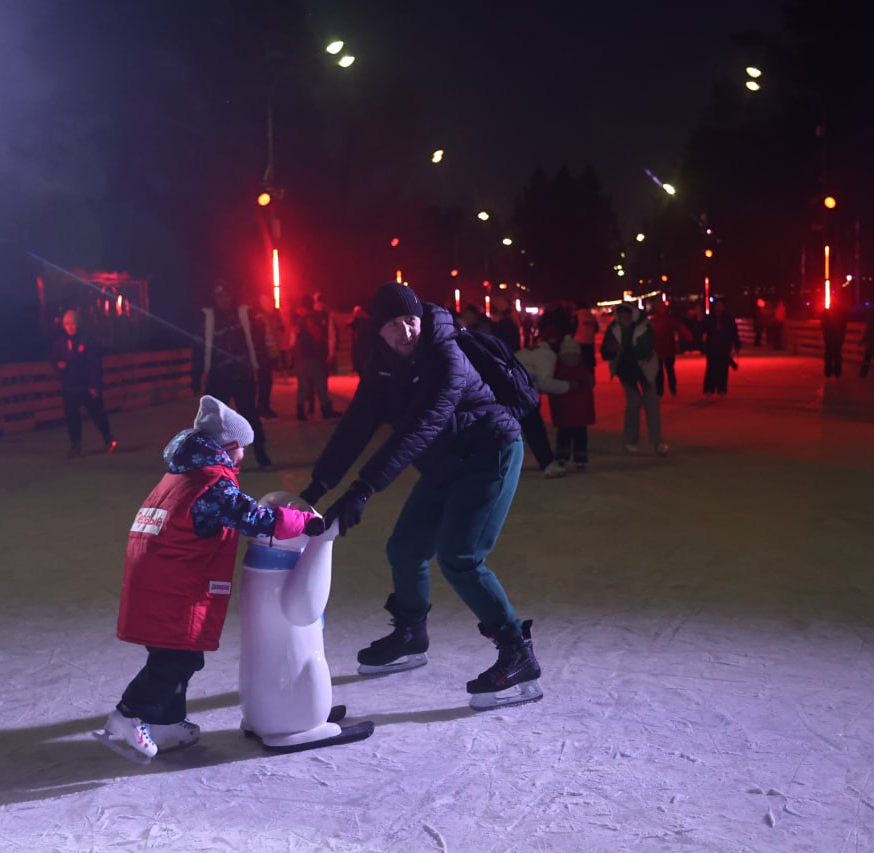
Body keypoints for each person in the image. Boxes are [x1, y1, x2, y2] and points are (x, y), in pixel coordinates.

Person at [298, 282, 542, 709]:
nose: (405, 331)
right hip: (446, 464)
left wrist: (363, 489)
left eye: (409, 320)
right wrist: (319, 486)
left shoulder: (446, 354)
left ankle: (516, 652)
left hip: (490, 454)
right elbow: (357, 424)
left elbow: (418, 429)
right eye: (393, 325)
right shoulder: (382, 365)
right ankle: (411, 632)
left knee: (460, 558)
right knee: (406, 548)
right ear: (378, 332)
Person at [98, 396, 324, 762]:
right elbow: (252, 518)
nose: (243, 458)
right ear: (231, 447)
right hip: (175, 585)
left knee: (180, 655)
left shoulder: (180, 474)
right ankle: (129, 714)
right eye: (243, 450)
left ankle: (168, 720)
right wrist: (304, 522)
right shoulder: (211, 482)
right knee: (173, 661)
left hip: (161, 580)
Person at [199, 280, 272, 471]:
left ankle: (261, 455)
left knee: (250, 416)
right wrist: (196, 375)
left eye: (227, 295)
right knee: (214, 421)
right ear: (215, 299)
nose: (224, 299)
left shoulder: (244, 315)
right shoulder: (208, 319)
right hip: (218, 376)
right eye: (220, 296)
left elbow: (257, 341)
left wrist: (259, 367)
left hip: (242, 374)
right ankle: (212, 460)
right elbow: (199, 347)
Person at [601, 304, 666, 455]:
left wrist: (626, 349)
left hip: (646, 370)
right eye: (622, 316)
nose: (625, 319)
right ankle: (630, 440)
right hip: (626, 371)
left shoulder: (644, 327)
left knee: (651, 403)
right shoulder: (614, 329)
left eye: (627, 315)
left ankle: (657, 441)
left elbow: (646, 349)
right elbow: (605, 351)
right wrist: (611, 350)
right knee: (634, 403)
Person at [51, 309, 116, 459]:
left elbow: (94, 364)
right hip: (69, 387)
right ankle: (75, 445)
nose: (70, 327)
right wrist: (58, 365)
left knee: (97, 413)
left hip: (86, 386)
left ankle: (108, 438)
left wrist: (94, 385)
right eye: (67, 324)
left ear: (78, 323)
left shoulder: (87, 340)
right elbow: (55, 360)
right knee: (72, 417)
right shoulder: (60, 343)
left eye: (73, 323)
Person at [514, 319, 574, 479]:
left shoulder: (534, 350)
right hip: (517, 389)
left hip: (508, 385)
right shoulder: (547, 355)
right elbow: (545, 382)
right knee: (534, 426)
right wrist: (567, 385)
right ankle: (548, 463)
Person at [547, 335, 596, 471]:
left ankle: (566, 456)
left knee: (567, 434)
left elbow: (553, 386)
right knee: (575, 434)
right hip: (576, 411)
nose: (571, 359)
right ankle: (577, 457)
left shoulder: (559, 368)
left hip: (568, 411)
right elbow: (591, 382)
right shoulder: (580, 368)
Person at [292, 294, 340, 421]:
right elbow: (317, 335)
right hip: (312, 356)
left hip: (301, 356)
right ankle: (326, 409)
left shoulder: (299, 319)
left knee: (303, 385)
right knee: (320, 383)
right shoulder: (309, 318)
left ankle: (300, 411)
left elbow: (294, 338)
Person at [649, 301, 692, 396]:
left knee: (670, 370)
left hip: (668, 348)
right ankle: (659, 390)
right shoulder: (653, 321)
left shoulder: (670, 319)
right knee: (659, 372)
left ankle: (672, 388)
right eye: (659, 307)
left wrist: (688, 335)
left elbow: (680, 328)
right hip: (657, 350)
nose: (661, 309)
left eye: (662, 307)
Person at [255, 295, 284, 418]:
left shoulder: (267, 318)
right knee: (264, 382)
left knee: (267, 382)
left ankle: (265, 406)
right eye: (269, 303)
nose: (272, 305)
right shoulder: (261, 318)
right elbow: (261, 339)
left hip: (267, 354)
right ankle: (262, 407)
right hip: (263, 355)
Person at [701, 309, 741, 395]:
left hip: (724, 346)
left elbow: (733, 332)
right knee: (711, 368)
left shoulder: (728, 318)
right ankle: (709, 388)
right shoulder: (709, 318)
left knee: (723, 369)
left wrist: (737, 344)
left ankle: (721, 388)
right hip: (712, 347)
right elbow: (703, 329)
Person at [821, 302, 848, 379]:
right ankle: (836, 372)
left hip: (831, 339)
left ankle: (829, 372)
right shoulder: (840, 316)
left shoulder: (827, 315)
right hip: (836, 340)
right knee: (836, 356)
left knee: (830, 356)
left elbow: (823, 325)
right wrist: (842, 338)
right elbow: (843, 328)